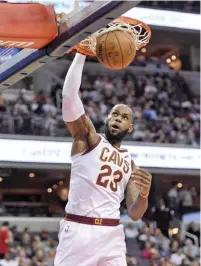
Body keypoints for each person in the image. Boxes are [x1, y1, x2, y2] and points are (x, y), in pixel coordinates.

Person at [54, 53, 152, 266]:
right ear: (108, 118)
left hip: (111, 234)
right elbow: (69, 96)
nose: (119, 118)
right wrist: (81, 54)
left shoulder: (129, 163)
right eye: (115, 114)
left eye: (125, 117)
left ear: (130, 128)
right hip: (79, 231)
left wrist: (144, 195)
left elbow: (135, 213)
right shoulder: (88, 138)